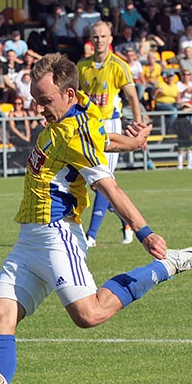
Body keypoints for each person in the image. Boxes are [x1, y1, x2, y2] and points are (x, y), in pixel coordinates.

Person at [0, 53, 192, 384]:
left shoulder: (76, 131)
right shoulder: (77, 113)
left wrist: (144, 231)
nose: (39, 109)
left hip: (58, 235)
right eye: (36, 100)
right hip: (28, 241)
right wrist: (131, 144)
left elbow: (109, 185)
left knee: (89, 315)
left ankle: (165, 267)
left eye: (45, 101)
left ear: (68, 94)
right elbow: (101, 133)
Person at [77, 21, 144, 248]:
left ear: (110, 39)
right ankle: (127, 224)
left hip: (110, 125)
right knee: (97, 183)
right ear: (91, 39)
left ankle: (91, 235)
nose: (99, 41)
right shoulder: (82, 66)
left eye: (103, 36)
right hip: (88, 126)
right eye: (95, 37)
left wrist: (138, 126)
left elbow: (133, 97)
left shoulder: (118, 65)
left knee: (102, 180)